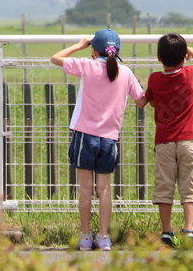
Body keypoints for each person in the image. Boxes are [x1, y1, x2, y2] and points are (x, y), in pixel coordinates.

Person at [51, 29, 145, 251]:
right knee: (104, 189)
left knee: (85, 188)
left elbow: (56, 58)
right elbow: (141, 101)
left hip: (85, 135)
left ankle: (85, 236)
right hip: (109, 138)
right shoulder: (127, 72)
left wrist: (78, 44)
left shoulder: (87, 66)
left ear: (94, 50)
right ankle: (103, 237)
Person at [141, 33, 193, 247]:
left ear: (158, 57)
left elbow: (150, 101)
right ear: (184, 57)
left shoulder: (155, 78)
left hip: (164, 142)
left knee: (164, 186)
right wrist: (191, 51)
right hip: (188, 141)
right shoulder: (191, 74)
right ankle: (188, 230)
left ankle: (167, 231)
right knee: (189, 185)